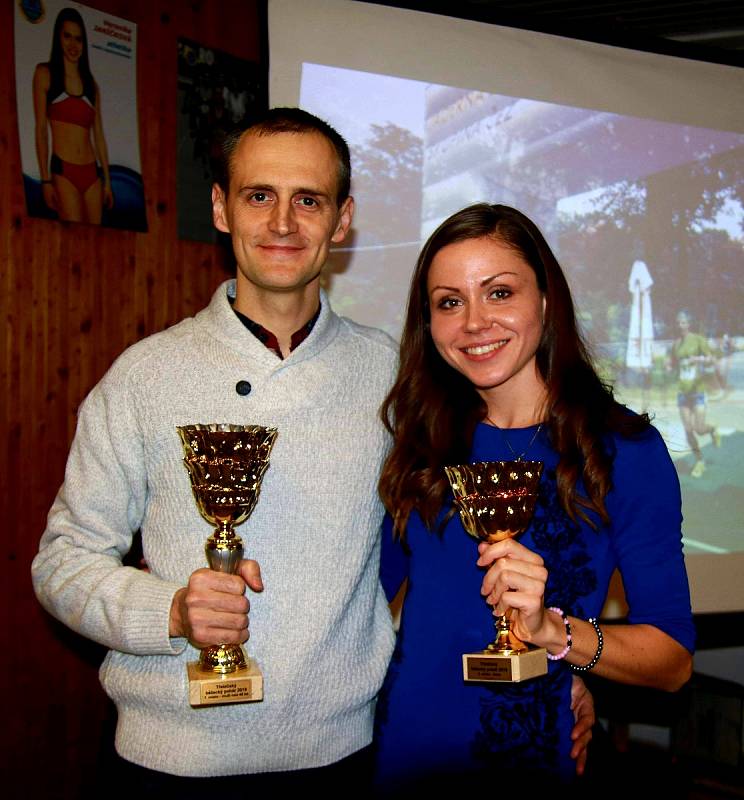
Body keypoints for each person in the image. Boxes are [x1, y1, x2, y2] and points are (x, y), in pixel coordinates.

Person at [32, 108, 397, 792]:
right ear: (222, 209)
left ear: (341, 221)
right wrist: (168, 611)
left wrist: (564, 672)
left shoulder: (390, 374)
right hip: (170, 762)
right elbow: (62, 563)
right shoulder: (145, 376)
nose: (283, 223)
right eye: (260, 196)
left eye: (308, 200)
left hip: (340, 760)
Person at [375, 204, 694, 790]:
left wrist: (554, 636)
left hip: (530, 768)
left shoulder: (623, 450)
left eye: (499, 293)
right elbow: (363, 604)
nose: (473, 321)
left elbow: (671, 661)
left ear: (546, 302)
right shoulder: (421, 442)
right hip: (400, 759)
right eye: (449, 301)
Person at [32, 7, 113, 223]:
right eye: (67, 36)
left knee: (97, 243)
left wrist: (107, 181)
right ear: (58, 36)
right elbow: (41, 129)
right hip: (63, 170)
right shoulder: (45, 74)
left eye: (78, 39)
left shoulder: (91, 85)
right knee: (73, 240)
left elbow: (99, 136)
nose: (72, 44)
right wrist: (45, 180)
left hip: (92, 173)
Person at [669, 310, 720, 478]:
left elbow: (712, 358)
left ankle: (712, 429)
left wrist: (697, 360)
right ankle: (700, 461)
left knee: (699, 428)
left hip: (698, 391)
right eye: (678, 323)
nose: (680, 325)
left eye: (683, 322)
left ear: (689, 324)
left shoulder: (698, 340)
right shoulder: (676, 344)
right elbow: (675, 364)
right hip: (683, 392)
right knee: (688, 429)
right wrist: (670, 367)